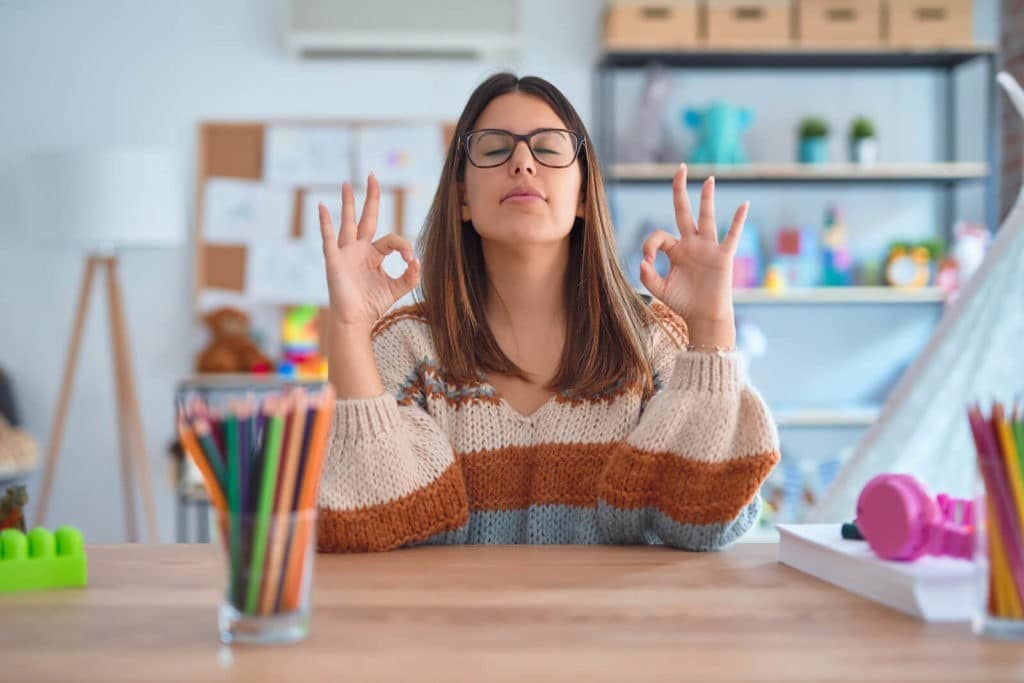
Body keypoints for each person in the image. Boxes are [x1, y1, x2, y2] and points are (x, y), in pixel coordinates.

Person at [315, 73, 779, 552]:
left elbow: (706, 523)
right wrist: (349, 327)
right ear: (462, 199)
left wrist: (712, 326)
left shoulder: (651, 343)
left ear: (582, 195)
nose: (521, 163)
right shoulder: (406, 347)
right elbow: (364, 525)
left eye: (549, 148)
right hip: (450, 627)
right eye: (494, 150)